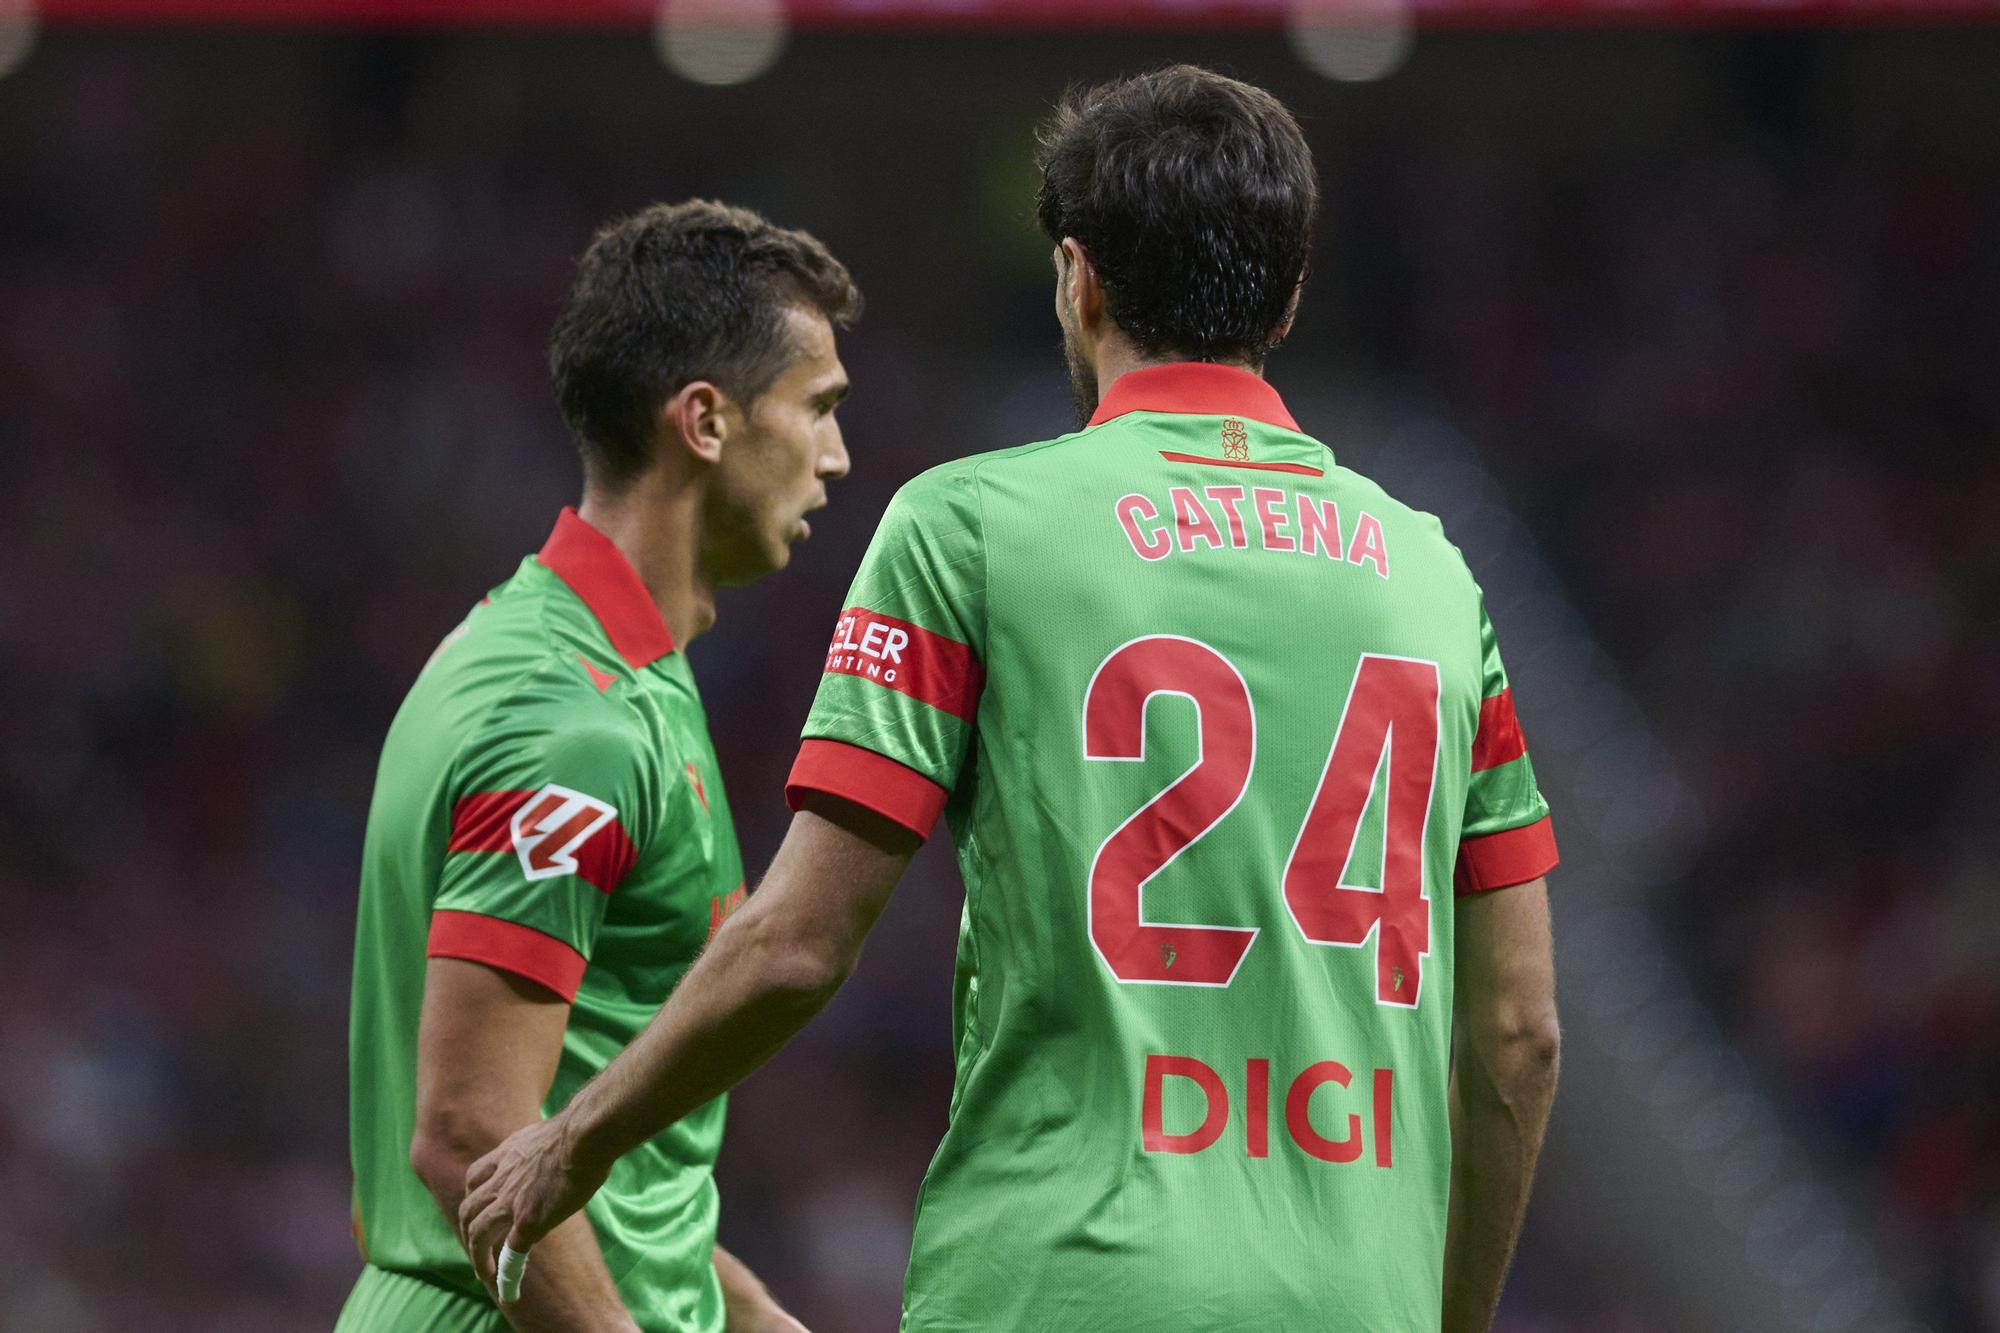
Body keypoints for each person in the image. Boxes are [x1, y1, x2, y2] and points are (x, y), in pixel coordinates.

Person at [461, 67, 1562, 1333]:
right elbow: (1519, 1033)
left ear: (1077, 278)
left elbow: (797, 941)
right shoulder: (1433, 575)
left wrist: (572, 1141)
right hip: (1352, 1299)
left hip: (1058, 1281)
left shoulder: (967, 528)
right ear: (1290, 294)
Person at [337, 198, 859, 1333]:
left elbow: (591, 1137)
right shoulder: (568, 725)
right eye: (816, 409)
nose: (835, 455)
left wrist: (751, 1313)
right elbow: (473, 1131)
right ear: (706, 421)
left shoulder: (590, 669)